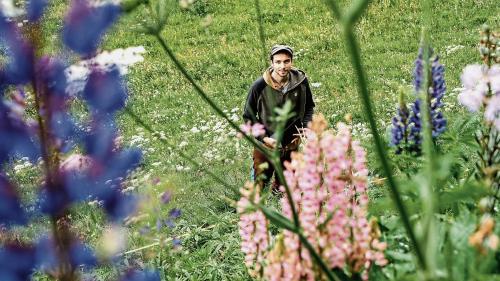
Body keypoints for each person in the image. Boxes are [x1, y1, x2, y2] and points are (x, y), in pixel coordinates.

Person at [243, 44, 315, 191]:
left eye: (286, 61)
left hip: (291, 145)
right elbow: (248, 116)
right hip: (265, 147)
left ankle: (282, 210)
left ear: (292, 61)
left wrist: (305, 128)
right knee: (259, 186)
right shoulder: (259, 86)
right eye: (278, 62)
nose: (282, 66)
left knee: (287, 188)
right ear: (272, 63)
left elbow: (309, 107)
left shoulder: (301, 81)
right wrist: (264, 138)